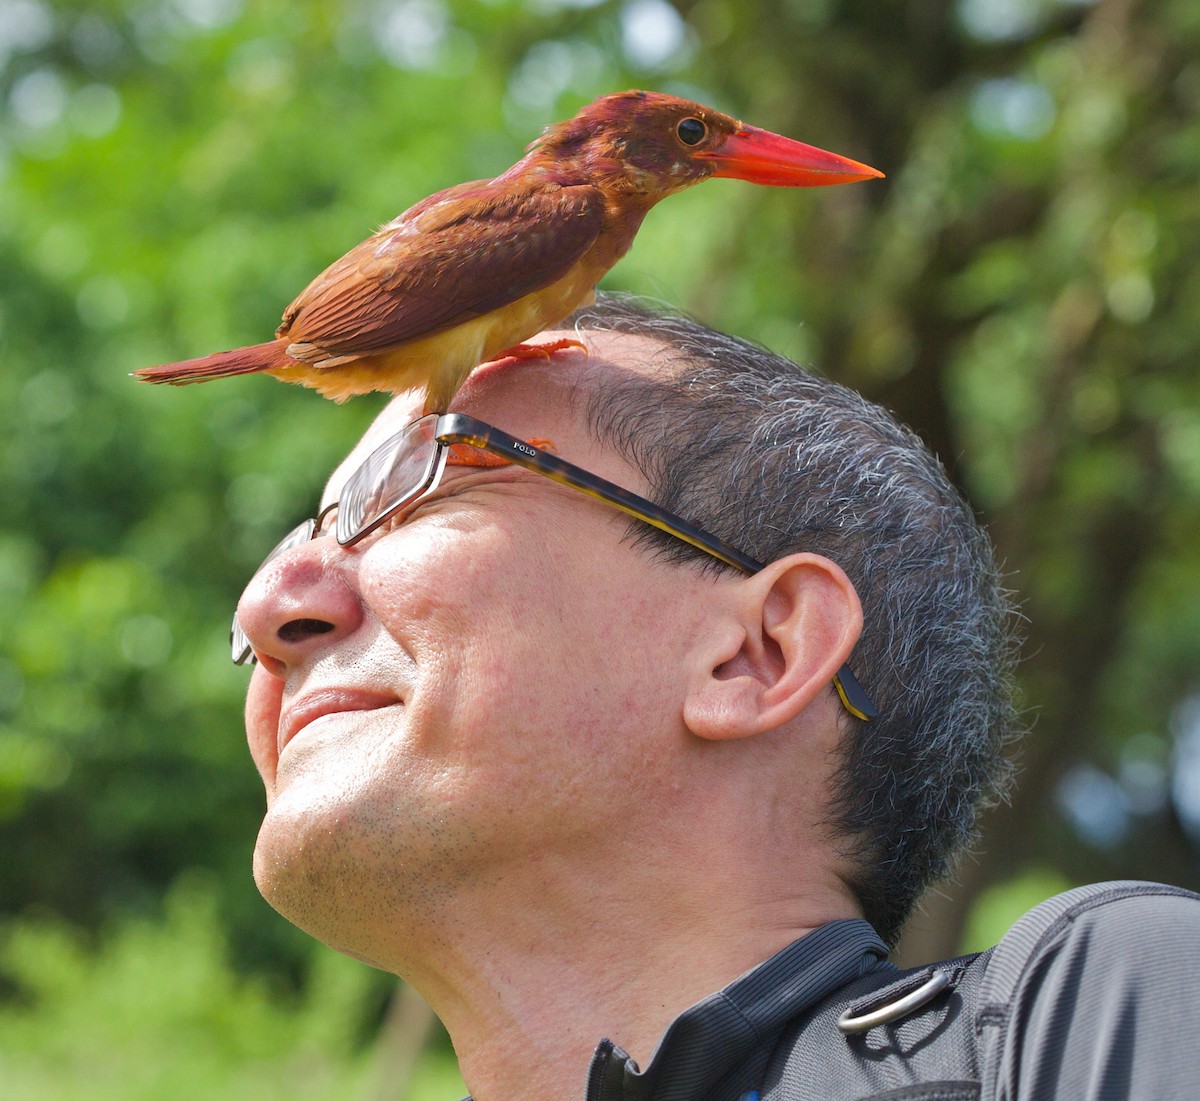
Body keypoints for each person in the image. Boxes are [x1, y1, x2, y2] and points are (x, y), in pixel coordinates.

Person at [233, 295, 1200, 1100]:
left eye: (421, 485)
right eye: (305, 535)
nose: (270, 601)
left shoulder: (1097, 1014)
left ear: (758, 652)